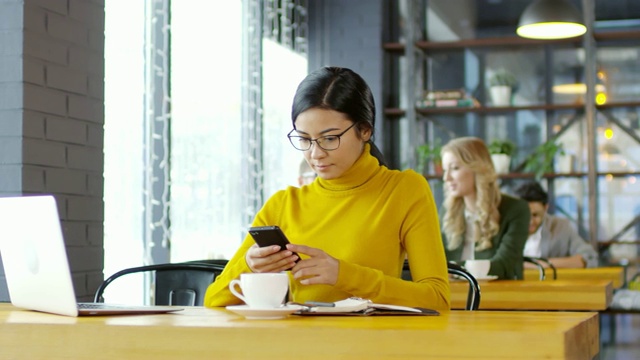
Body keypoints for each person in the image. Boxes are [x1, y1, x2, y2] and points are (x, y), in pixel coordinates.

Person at [204, 66, 450, 310]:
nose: (315, 153)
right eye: (304, 139)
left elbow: (437, 298)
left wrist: (345, 275)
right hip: (294, 344)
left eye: (330, 138)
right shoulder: (284, 204)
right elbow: (213, 299)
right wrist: (249, 265)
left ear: (364, 130)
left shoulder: (404, 189)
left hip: (370, 345)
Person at [440, 137, 530, 280]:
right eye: (445, 170)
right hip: (453, 296)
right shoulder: (447, 212)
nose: (446, 178)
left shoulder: (516, 209)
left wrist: (453, 268)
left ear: (477, 169)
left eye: (455, 168)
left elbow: (504, 265)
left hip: (502, 297)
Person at [514, 181, 598, 268]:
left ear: (545, 208)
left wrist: (543, 264)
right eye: (524, 215)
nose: (530, 221)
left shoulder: (561, 227)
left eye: (535, 215)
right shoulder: (506, 227)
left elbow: (589, 257)